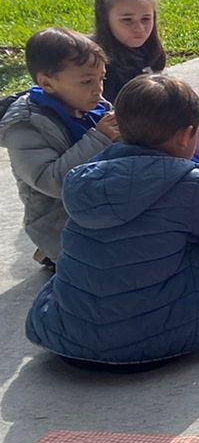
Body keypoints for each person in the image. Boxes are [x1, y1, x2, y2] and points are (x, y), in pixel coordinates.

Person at [26, 74, 199, 370]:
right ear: (185, 135)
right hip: (155, 342)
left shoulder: (81, 176)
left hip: (69, 340)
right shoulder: (191, 184)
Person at [0, 28, 118, 270]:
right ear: (46, 83)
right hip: (58, 222)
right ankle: (53, 254)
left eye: (101, 78)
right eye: (87, 81)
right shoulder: (25, 125)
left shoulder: (93, 105)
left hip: (99, 207)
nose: (98, 89)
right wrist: (100, 138)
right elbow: (52, 182)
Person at [93, 0, 167, 103]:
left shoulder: (150, 53)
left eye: (146, 19)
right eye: (127, 20)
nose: (139, 28)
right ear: (104, 19)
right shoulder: (97, 66)